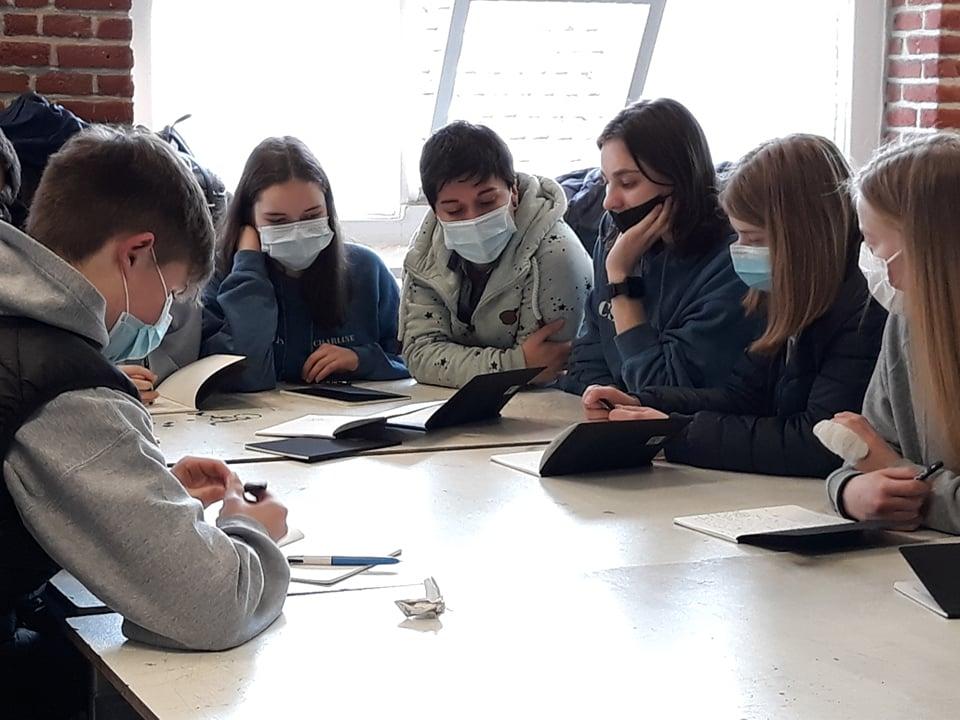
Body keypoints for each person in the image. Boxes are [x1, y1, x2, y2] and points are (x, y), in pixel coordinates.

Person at [1, 126, 291, 716]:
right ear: (135, 253)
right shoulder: (65, 385)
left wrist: (140, 488)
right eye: (175, 291)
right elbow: (212, 606)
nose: (166, 314)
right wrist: (249, 528)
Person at [582, 135, 886, 477]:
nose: (739, 250)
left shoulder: (862, 314)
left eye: (754, 239)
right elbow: (743, 396)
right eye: (738, 235)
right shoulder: (782, 295)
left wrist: (675, 435)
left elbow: (819, 441)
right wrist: (645, 404)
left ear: (802, 238)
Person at [559, 98, 759, 396]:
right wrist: (606, 399)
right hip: (615, 417)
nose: (609, 202)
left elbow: (665, 389)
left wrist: (621, 283)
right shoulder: (615, 232)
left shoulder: (732, 261)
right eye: (606, 182)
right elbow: (587, 359)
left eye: (627, 183)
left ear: (679, 180)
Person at [827, 133, 960, 531]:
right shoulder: (906, 320)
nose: (870, 263)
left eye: (874, 245)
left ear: (928, 247)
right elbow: (867, 457)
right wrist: (850, 492)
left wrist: (906, 479)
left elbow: (887, 461)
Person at [202, 136, 408, 391]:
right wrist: (248, 265)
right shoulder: (218, 276)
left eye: (312, 216)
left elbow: (414, 359)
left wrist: (361, 360)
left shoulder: (367, 270)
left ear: (328, 209)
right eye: (277, 221)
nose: (297, 232)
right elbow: (242, 374)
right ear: (249, 219)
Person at [399, 121, 592, 388]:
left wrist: (520, 369)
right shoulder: (425, 252)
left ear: (514, 192)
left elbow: (546, 372)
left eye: (487, 202)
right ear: (435, 211)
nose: (473, 218)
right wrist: (515, 363)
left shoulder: (558, 255)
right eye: (454, 210)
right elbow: (420, 355)